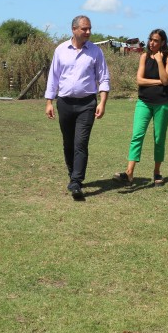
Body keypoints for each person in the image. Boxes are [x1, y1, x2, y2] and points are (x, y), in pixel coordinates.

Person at [45, 15, 110, 201]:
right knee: (68, 142)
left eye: (89, 28)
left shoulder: (96, 52)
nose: (88, 32)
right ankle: (72, 174)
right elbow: (53, 77)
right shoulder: (61, 50)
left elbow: (104, 78)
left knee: (81, 142)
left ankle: (76, 181)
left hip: (87, 104)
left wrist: (102, 102)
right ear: (74, 29)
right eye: (84, 29)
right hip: (64, 103)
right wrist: (49, 102)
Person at [114, 29, 168, 186]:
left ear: (162, 42)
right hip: (144, 102)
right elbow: (140, 80)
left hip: (163, 103)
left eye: (156, 40)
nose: (152, 43)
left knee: (159, 138)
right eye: (150, 39)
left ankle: (157, 172)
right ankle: (129, 173)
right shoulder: (144, 56)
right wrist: (161, 82)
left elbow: (166, 79)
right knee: (137, 135)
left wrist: (160, 61)